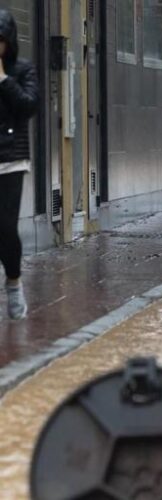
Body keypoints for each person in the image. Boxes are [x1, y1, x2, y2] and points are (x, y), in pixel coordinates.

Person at [0, 9, 38, 320]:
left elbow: (29, 106)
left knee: (6, 228)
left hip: (11, 161)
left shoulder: (23, 70)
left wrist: (2, 80)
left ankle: (13, 282)